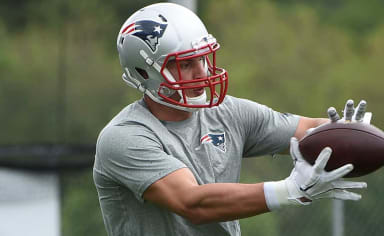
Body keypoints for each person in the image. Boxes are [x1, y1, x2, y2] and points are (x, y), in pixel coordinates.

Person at [93, 3, 369, 236]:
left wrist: (350, 130)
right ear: (145, 73)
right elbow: (192, 203)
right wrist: (290, 190)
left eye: (203, 58)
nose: (202, 72)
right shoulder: (124, 137)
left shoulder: (227, 112)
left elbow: (307, 129)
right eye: (186, 64)